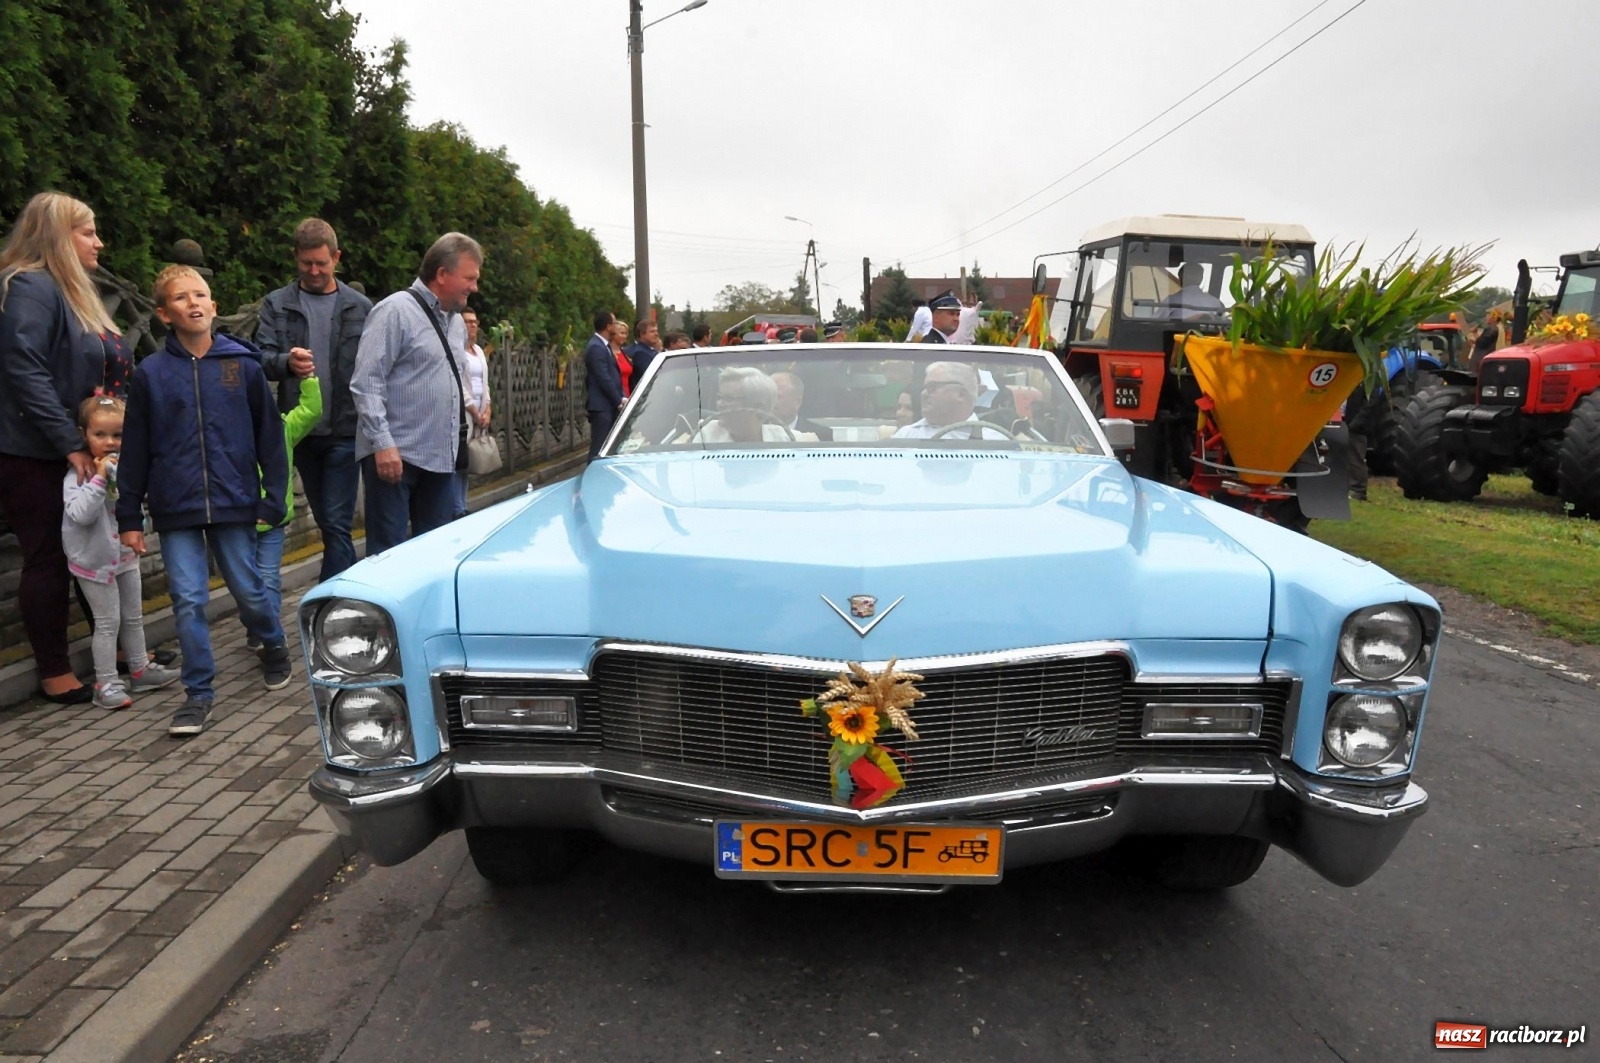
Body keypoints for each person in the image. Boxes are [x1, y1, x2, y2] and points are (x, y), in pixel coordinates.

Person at [117, 265, 292, 737]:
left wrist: (274, 498)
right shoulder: (152, 374)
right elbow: (135, 449)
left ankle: (273, 641)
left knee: (249, 590)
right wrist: (128, 515)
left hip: (235, 501)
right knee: (189, 599)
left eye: (200, 295)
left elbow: (270, 438)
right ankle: (198, 694)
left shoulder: (243, 367)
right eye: (181, 297)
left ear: (213, 307)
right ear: (163, 314)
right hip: (175, 507)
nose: (192, 303)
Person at [0, 191, 134, 704]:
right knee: (50, 556)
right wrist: (67, 443)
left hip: (79, 449)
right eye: (87, 232)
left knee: (100, 551)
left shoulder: (72, 289)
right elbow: (23, 368)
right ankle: (54, 670)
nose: (98, 242)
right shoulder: (30, 286)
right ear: (58, 236)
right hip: (35, 452)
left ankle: (117, 652)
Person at [254, 218, 371, 581]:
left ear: (336, 257)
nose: (315, 271)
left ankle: (332, 597)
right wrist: (286, 362)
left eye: (322, 263)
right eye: (307, 263)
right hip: (300, 431)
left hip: (345, 429)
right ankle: (344, 592)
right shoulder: (276, 304)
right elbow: (260, 358)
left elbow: (376, 368)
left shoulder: (361, 307)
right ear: (295, 257)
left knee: (336, 522)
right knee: (326, 520)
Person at [351, 233, 481, 556]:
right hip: (396, 457)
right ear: (442, 274)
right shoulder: (394, 311)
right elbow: (366, 382)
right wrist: (383, 444)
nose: (475, 287)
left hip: (440, 460)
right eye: (469, 278)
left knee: (434, 555)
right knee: (388, 556)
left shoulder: (456, 324)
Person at [61, 395, 180, 708]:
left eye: (117, 435)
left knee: (133, 618)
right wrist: (100, 480)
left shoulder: (126, 468)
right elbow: (80, 514)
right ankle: (106, 683)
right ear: (84, 434)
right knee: (107, 623)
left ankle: (139, 669)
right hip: (94, 562)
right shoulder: (78, 476)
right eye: (100, 434)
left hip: (124, 557)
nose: (110, 442)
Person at [247, 372, 322, 648]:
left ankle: (269, 634)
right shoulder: (232, 432)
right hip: (239, 522)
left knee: (268, 577)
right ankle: (255, 626)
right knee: (246, 582)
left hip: (273, 520)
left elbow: (311, 409)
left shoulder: (284, 427)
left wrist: (308, 378)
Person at [894, 361, 1011, 440]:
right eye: (924, 388)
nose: (923, 394)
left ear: (961, 394)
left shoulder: (995, 441)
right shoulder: (905, 436)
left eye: (932, 387)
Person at [453, 306, 491, 519]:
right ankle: (456, 508)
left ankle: (463, 504)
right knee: (459, 460)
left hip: (480, 412)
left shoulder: (478, 351)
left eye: (475, 321)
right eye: (468, 321)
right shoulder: (457, 351)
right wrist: (475, 412)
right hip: (464, 414)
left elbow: (485, 383)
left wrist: (488, 408)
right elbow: (459, 384)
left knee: (468, 462)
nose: (473, 325)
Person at [690, 367, 796, 443]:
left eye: (729, 398)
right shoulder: (707, 434)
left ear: (757, 406)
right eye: (720, 397)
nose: (720, 404)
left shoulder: (782, 438)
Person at [584, 311, 625, 459]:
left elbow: (613, 375)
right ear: (608, 326)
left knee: (607, 447)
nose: (616, 325)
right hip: (601, 406)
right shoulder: (596, 347)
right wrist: (618, 400)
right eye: (614, 323)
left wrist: (621, 396)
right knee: (599, 447)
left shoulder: (603, 345)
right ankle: (593, 472)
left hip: (607, 404)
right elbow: (603, 377)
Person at [771, 371, 833, 440]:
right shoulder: (760, 433)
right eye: (767, 396)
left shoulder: (821, 435)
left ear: (797, 402)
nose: (770, 401)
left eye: (777, 396)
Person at [1156, 263, 1226, 320]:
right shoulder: (1215, 302)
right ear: (1201, 279)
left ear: (1180, 278)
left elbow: (1155, 322)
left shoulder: (1171, 300)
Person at [625, 317, 660, 387]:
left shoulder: (650, 350)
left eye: (656, 331)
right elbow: (650, 376)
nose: (656, 334)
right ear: (641, 334)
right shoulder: (640, 353)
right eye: (652, 331)